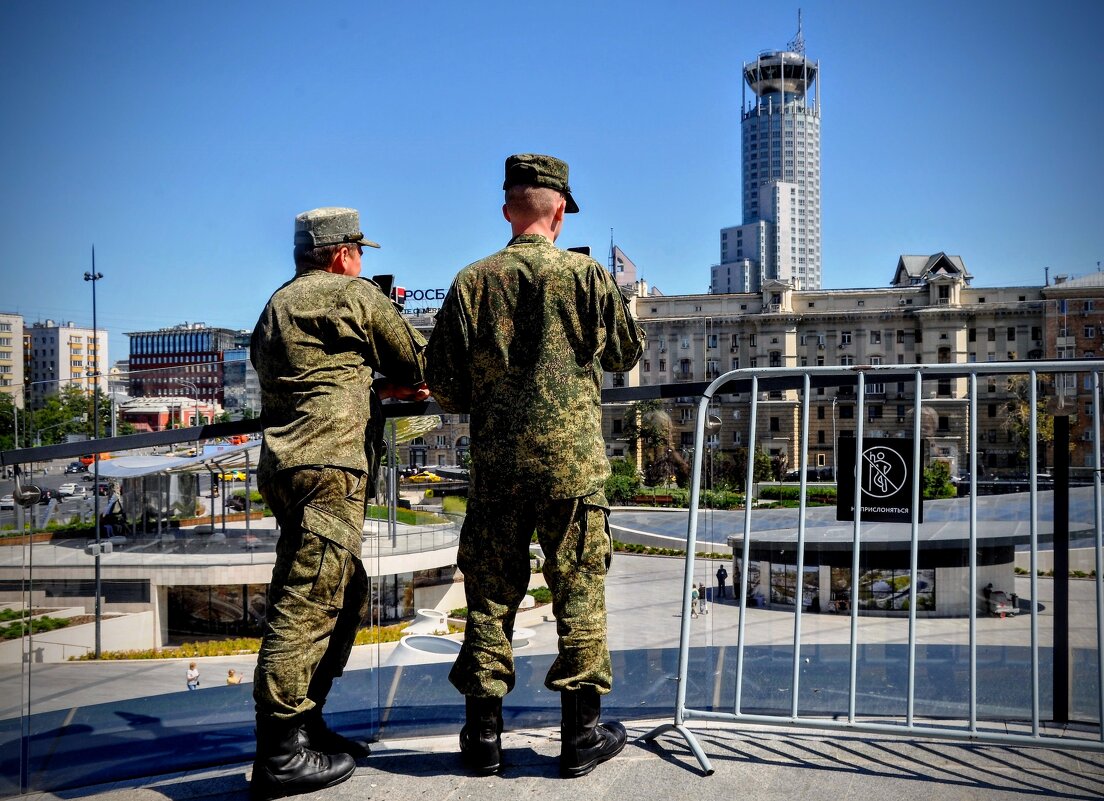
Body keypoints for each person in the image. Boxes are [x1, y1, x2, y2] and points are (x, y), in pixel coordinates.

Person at [426, 154, 645, 779]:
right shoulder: (587, 275)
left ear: (506, 211)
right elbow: (626, 353)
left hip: (497, 469)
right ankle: (581, 735)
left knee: (489, 597)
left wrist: (485, 398)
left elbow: (441, 379)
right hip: (572, 469)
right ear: (559, 212)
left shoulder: (472, 280)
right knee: (578, 588)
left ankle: (482, 739)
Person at [249, 206, 428, 800]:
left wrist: (364, 384)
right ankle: (278, 755)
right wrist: (387, 380)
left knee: (343, 589)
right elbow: (414, 363)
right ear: (342, 253)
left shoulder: (276, 306)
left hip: (285, 466)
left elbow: (305, 376)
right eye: (359, 252)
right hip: (330, 468)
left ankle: (304, 726)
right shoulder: (354, 297)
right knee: (307, 603)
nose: (361, 262)